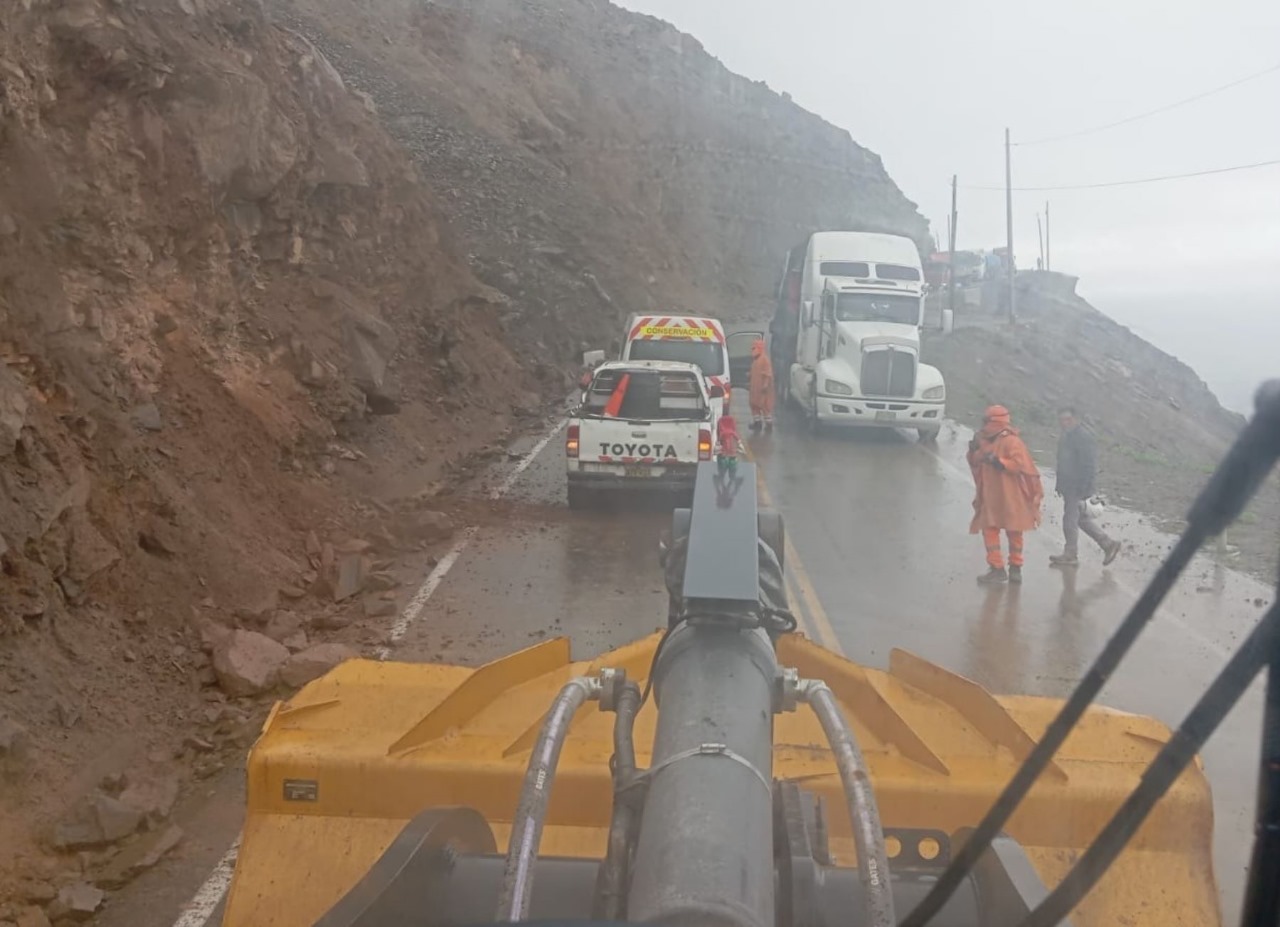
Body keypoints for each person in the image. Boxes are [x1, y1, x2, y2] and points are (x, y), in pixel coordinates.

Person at [967, 405, 1044, 585]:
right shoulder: (984, 441)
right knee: (989, 529)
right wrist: (973, 451)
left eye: (986, 421)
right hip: (990, 495)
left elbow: (1020, 465)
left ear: (995, 422)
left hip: (1011, 496)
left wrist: (999, 462)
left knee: (1014, 531)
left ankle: (1015, 569)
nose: (983, 425)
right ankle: (997, 568)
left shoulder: (1012, 442)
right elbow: (975, 462)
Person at [1051, 406, 1121, 566]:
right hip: (1068, 485)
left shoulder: (1083, 437)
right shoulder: (1066, 436)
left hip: (1077, 487)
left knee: (1069, 519)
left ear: (1076, 419)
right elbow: (1062, 462)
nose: (1064, 423)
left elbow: (1089, 465)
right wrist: (1059, 484)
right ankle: (1108, 544)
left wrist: (1084, 489)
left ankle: (1070, 554)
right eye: (1062, 420)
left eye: (1068, 419)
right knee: (1081, 519)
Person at [748, 338, 774, 432]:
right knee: (754, 405)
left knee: (764, 406)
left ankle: (769, 425)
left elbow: (767, 374)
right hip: (755, 389)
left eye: (754, 348)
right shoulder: (756, 359)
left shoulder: (764, 359)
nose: (752, 350)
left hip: (762, 389)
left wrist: (765, 385)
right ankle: (757, 423)